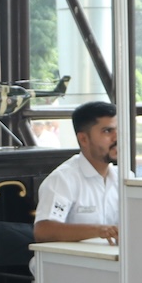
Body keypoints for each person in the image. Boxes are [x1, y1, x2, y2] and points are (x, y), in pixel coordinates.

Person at [33, 100, 119, 246]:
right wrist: (99, 230)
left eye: (118, 130)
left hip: (114, 258)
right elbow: (43, 231)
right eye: (107, 131)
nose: (117, 138)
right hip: (71, 260)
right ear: (83, 139)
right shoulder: (63, 179)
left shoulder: (124, 176)